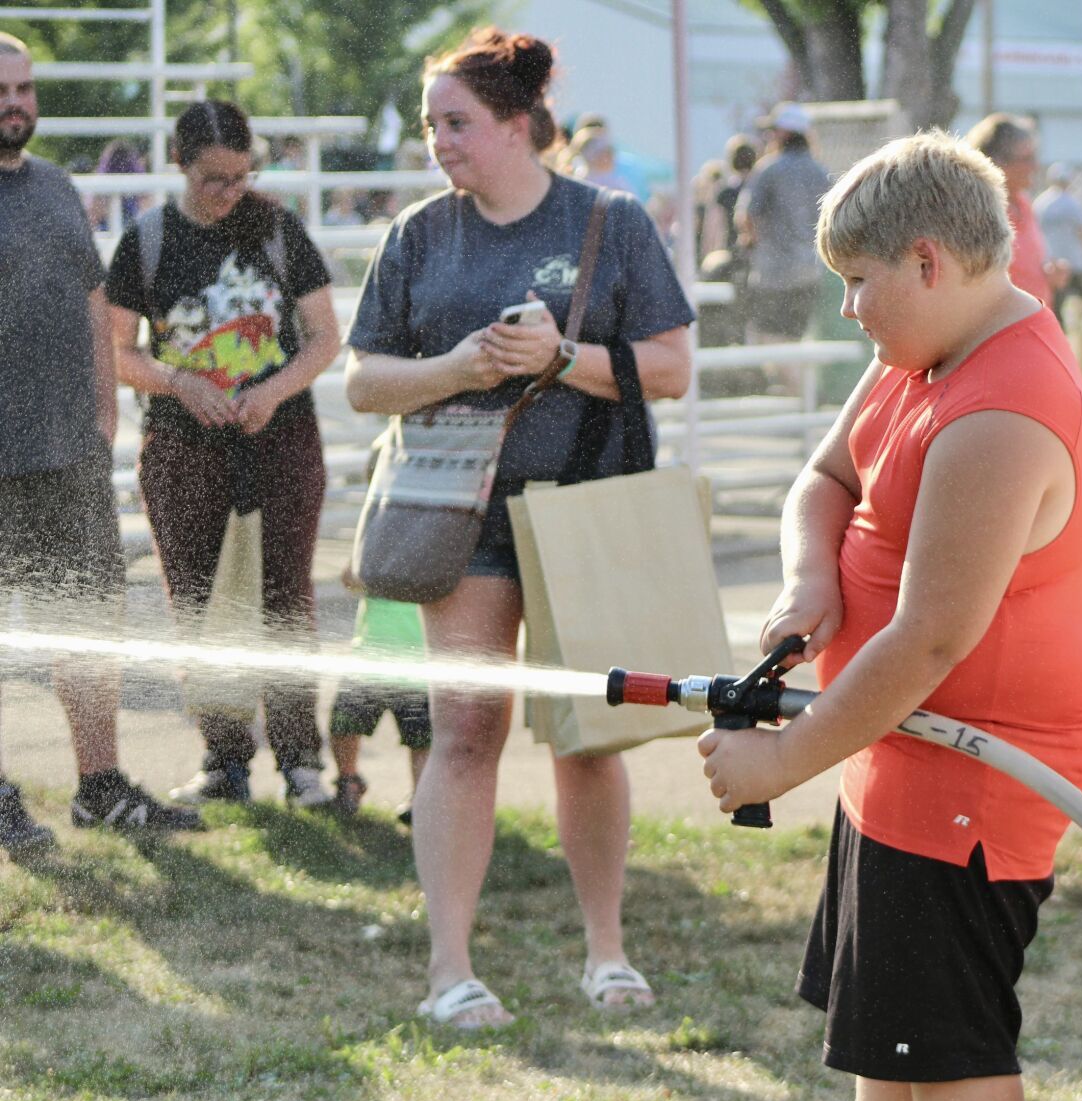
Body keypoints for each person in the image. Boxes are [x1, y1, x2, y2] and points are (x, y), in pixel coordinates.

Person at [697, 130, 1082, 1101]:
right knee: (890, 1038)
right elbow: (823, 479)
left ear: (927, 260)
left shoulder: (1002, 406)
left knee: (946, 1047)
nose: (847, 309)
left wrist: (782, 761)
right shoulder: (925, 351)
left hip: (970, 767)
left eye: (857, 281)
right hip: (898, 749)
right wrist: (811, 576)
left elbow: (930, 637)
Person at [344, 27, 693, 1026]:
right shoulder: (419, 232)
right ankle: (449, 967)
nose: (437, 142)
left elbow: (668, 367)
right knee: (464, 728)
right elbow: (366, 380)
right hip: (464, 519)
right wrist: (460, 368)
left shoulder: (611, 222)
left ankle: (607, 953)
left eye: (455, 122)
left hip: (589, 510)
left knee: (589, 737)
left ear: (514, 125)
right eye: (429, 125)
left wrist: (559, 354)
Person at [107, 100, 340, 812]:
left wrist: (272, 391)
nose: (231, 191)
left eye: (242, 176)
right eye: (214, 178)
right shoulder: (146, 242)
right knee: (199, 602)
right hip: (182, 447)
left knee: (285, 598)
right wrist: (179, 382)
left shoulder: (277, 229)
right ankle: (224, 756)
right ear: (181, 166)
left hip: (281, 439)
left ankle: (302, 763)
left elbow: (324, 336)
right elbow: (117, 349)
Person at [0, 34, 201, 848]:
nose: (16, 103)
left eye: (24, 88)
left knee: (87, 621)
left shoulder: (54, 186)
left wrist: (104, 419)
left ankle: (101, 785)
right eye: (1, 89)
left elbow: (94, 302)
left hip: (67, 454)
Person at [329, 573, 431, 823]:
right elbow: (349, 577)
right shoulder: (377, 544)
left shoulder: (430, 552)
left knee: (420, 739)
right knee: (343, 724)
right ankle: (348, 782)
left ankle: (421, 799)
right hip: (368, 661)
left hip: (416, 667)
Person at [736, 102, 831, 350]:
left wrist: (752, 242)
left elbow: (746, 216)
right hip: (811, 271)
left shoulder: (768, 169)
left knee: (767, 340)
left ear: (784, 134)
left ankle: (792, 388)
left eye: (774, 131)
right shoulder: (821, 172)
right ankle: (800, 388)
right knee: (796, 341)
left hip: (772, 274)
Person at [966, 112, 1066, 306]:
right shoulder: (979, 213)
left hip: (1034, 321)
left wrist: (1049, 274)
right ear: (996, 162)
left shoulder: (1023, 203)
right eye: (1026, 159)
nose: (1035, 166)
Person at [1032, 163, 1082, 330]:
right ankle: (1078, 330)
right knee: (1081, 297)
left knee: (1056, 304)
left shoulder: (1040, 203)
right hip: (1075, 261)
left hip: (1051, 262)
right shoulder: (1072, 203)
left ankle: (1061, 331)